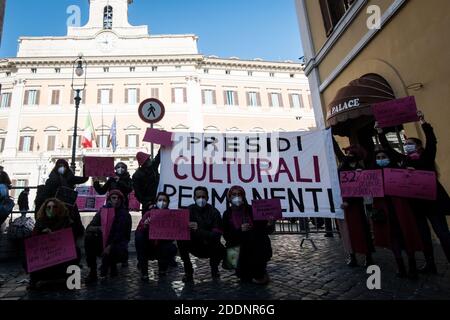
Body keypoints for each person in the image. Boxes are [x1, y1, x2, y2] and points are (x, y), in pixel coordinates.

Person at [377, 112, 450, 273]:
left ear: (418, 146)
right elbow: (389, 150)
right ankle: (430, 264)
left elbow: (432, 141)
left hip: (434, 202)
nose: (407, 145)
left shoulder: (427, 157)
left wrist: (424, 122)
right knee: (424, 236)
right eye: (406, 143)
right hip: (416, 205)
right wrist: (380, 133)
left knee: (443, 233)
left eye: (410, 143)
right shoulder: (404, 160)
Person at [370, 148, 423, 279]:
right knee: (393, 238)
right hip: (384, 209)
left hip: (400, 208)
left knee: (407, 235)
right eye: (378, 157)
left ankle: (412, 265)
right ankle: (400, 265)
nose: (381, 159)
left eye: (383, 156)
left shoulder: (399, 171)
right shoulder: (373, 173)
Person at [222, 186, 275, 285]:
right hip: (237, 246)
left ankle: (261, 270)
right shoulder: (227, 214)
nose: (237, 197)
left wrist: (269, 224)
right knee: (244, 278)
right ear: (229, 197)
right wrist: (239, 230)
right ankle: (240, 267)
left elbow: (265, 230)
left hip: (254, 246)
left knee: (258, 277)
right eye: (234, 194)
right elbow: (226, 236)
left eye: (239, 194)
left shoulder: (252, 209)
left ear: (243, 196)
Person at [334, 142, 375, 267]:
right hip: (342, 203)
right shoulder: (343, 164)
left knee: (362, 230)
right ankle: (352, 256)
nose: (348, 155)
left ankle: (368, 256)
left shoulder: (361, 168)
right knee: (347, 232)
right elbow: (336, 150)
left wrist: (349, 201)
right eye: (348, 153)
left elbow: (362, 188)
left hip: (357, 205)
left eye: (351, 153)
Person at [28, 198, 80, 290]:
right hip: (45, 251)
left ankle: (68, 278)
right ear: (45, 209)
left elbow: (73, 235)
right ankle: (34, 279)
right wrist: (42, 233)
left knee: (76, 251)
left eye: (54, 207)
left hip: (61, 250)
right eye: (48, 207)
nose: (51, 209)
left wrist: (58, 235)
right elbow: (33, 239)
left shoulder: (66, 220)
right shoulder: (40, 221)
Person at [177, 186, 225, 282]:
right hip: (194, 245)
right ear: (194, 198)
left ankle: (214, 268)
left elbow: (216, 236)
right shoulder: (188, 211)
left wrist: (198, 230)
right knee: (180, 240)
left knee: (220, 249)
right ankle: (188, 271)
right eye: (198, 197)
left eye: (203, 197)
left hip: (210, 246)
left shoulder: (214, 212)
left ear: (207, 198)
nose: (201, 199)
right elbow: (179, 229)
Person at [84, 190, 132, 283]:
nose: (116, 200)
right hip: (102, 242)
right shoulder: (102, 211)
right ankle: (92, 270)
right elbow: (89, 227)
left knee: (112, 250)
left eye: (118, 198)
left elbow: (122, 235)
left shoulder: (125, 215)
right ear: (109, 199)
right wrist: (101, 228)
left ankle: (110, 265)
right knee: (89, 238)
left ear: (122, 200)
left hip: (117, 245)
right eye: (113, 198)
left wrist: (110, 246)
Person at [35, 159, 88, 241]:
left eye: (64, 166)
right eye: (60, 166)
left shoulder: (71, 178)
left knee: (73, 227)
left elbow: (84, 179)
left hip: (70, 208)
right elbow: (44, 196)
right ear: (56, 167)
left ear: (67, 167)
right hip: (55, 208)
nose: (62, 168)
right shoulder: (51, 180)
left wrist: (85, 166)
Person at [135, 192, 178, 281]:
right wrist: (145, 225)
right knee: (139, 238)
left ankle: (163, 268)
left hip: (162, 245)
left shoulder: (171, 216)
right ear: (156, 202)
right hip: (148, 245)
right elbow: (139, 230)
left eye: (164, 200)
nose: (162, 202)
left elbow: (174, 235)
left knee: (170, 248)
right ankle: (144, 272)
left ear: (168, 202)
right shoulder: (148, 214)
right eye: (160, 200)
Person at [132, 150, 161, 216]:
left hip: (157, 199)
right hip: (147, 204)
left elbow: (158, 157)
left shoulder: (153, 167)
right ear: (145, 162)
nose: (150, 160)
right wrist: (147, 203)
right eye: (148, 159)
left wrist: (161, 147)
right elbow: (138, 193)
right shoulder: (137, 175)